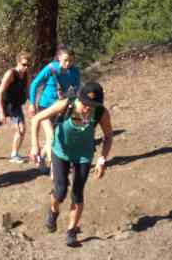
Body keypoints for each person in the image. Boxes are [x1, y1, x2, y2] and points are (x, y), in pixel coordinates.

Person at [30, 81, 113, 247]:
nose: (88, 108)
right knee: (60, 191)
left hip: (83, 155)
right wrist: (34, 145)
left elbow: (108, 137)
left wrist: (102, 159)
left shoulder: (101, 113)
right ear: (79, 99)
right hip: (60, 151)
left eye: (93, 105)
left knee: (77, 193)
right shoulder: (66, 105)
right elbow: (37, 119)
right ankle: (53, 211)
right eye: (85, 104)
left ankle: (71, 231)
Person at [27, 45, 81, 169]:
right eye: (65, 60)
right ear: (59, 58)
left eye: (71, 60)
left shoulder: (75, 71)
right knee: (51, 135)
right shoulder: (51, 68)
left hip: (60, 107)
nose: (68, 63)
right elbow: (34, 84)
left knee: (56, 137)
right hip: (44, 107)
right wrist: (31, 103)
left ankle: (41, 156)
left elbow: (77, 88)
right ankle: (54, 168)